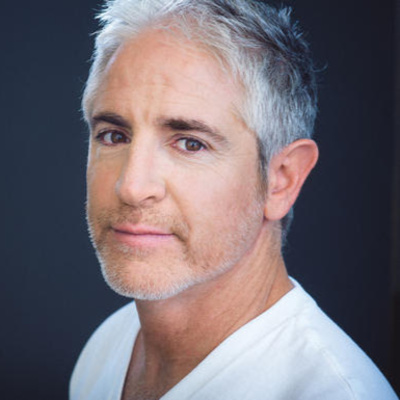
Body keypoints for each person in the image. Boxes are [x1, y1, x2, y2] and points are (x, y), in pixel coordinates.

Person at [70, 0, 398, 399]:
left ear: (281, 179)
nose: (132, 187)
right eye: (114, 136)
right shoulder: (105, 350)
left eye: (190, 143)